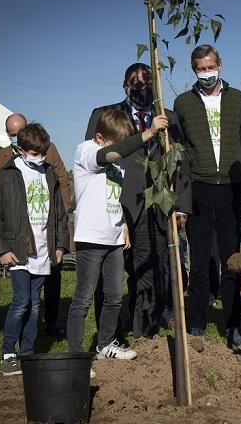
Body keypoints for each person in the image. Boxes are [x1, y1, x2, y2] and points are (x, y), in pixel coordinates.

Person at [85, 63, 191, 338]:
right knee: (109, 275)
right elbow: (94, 161)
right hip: (115, 205)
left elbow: (179, 163)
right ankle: (109, 334)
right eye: (135, 84)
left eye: (146, 84)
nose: (140, 89)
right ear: (125, 86)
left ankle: (144, 331)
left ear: (154, 87)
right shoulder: (105, 115)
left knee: (150, 269)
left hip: (154, 206)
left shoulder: (169, 119)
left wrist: (180, 207)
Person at [66, 110, 157, 361]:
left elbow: (113, 197)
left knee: (114, 296)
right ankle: (75, 354)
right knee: (83, 298)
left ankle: (105, 344)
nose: (122, 151)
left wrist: (124, 224)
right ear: (99, 137)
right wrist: (146, 134)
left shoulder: (117, 165)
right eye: (118, 143)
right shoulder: (85, 151)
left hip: (114, 237)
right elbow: (107, 154)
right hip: (91, 238)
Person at [173, 44, 241, 345]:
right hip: (199, 187)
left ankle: (233, 325)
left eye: (210, 66)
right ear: (194, 70)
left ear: (220, 64)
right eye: (200, 68)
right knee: (200, 261)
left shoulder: (238, 100)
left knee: (231, 261)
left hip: (231, 188)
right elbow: (179, 155)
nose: (207, 73)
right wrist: (181, 202)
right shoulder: (183, 103)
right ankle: (197, 323)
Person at [0, 123, 69, 376]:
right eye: (34, 153)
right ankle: (8, 353)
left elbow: (59, 214)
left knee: (35, 304)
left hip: (44, 249)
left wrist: (60, 245)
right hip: (17, 249)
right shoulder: (5, 175)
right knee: (21, 302)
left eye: (42, 152)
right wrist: (1, 249)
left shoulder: (49, 174)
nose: (40, 157)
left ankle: (28, 352)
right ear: (20, 150)